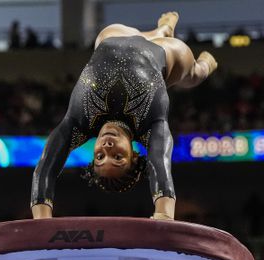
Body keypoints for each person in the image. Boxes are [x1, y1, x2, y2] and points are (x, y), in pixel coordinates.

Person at [31, 12, 218, 220]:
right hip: (165, 54)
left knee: (122, 36)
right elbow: (160, 162)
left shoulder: (79, 123)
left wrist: (42, 220)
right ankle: (204, 63)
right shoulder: (150, 126)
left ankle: (163, 28)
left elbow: (46, 166)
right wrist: (164, 212)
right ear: (134, 154)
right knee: (193, 75)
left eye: (100, 157)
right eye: (118, 157)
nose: (107, 149)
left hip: (112, 37)